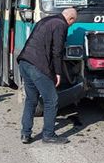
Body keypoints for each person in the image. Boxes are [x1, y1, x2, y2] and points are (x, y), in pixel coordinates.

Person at [17, 7, 78, 144]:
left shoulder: (46, 20)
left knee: (31, 100)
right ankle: (48, 135)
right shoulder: (61, 25)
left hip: (25, 62)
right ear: (70, 19)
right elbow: (57, 51)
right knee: (51, 100)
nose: (70, 26)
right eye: (72, 24)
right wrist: (58, 73)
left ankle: (25, 134)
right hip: (38, 66)